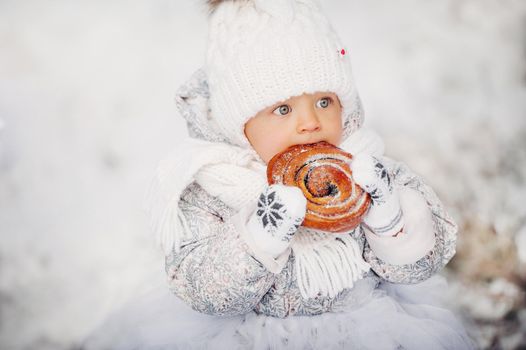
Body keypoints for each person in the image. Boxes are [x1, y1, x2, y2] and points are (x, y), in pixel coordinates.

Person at [82, 0, 476, 348]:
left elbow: (421, 266)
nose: (310, 123)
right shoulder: (214, 188)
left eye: (324, 101)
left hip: (368, 329)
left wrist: (389, 219)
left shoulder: (367, 171)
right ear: (238, 124)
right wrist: (259, 238)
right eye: (283, 110)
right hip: (246, 335)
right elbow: (203, 290)